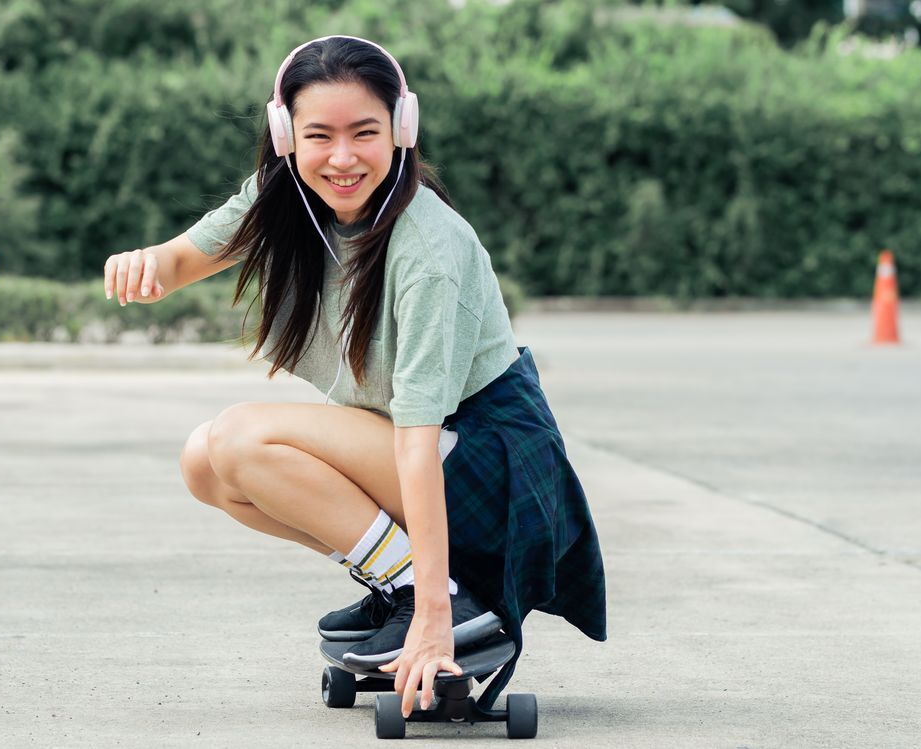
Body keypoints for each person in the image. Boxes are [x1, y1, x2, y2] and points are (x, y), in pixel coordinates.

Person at [102, 35, 606, 716]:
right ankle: (405, 581)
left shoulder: (427, 249)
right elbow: (178, 263)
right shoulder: (287, 198)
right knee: (204, 465)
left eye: (364, 133)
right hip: (432, 456)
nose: (342, 158)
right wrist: (142, 264)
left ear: (401, 129)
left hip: (492, 471)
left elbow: (416, 442)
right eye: (320, 136)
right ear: (286, 137)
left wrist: (434, 619)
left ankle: (435, 594)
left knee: (240, 438)